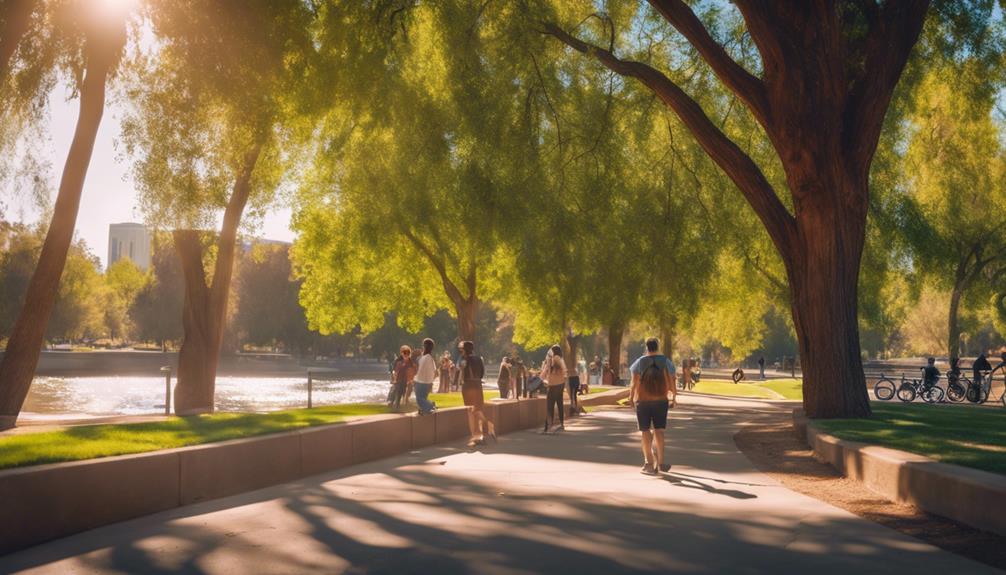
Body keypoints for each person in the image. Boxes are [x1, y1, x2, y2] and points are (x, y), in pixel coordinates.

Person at [629, 337, 677, 475]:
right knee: (659, 431)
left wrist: (631, 397)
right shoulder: (666, 361)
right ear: (658, 346)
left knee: (645, 432)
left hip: (643, 401)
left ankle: (648, 463)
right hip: (661, 401)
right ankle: (661, 463)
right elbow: (672, 380)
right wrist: (674, 397)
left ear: (646, 347)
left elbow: (634, 382)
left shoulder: (639, 362)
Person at [459, 340, 494, 447]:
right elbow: (482, 373)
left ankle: (474, 436)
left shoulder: (464, 360)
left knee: (470, 410)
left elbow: (462, 374)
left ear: (464, 349)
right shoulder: (479, 359)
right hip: (478, 385)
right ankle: (486, 428)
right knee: (478, 409)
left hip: (468, 386)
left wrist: (460, 383)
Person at [541, 345, 567, 433]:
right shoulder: (561, 359)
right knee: (560, 404)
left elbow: (543, 374)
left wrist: (545, 363)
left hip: (553, 385)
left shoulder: (552, 359)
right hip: (560, 385)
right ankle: (561, 424)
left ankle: (548, 426)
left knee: (550, 406)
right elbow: (565, 372)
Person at [413, 338, 438, 415]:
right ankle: (424, 410)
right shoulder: (429, 358)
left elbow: (419, 370)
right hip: (427, 382)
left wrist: (414, 379)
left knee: (419, 399)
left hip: (421, 382)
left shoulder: (426, 358)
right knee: (423, 398)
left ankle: (431, 406)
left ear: (424, 346)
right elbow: (434, 371)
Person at [390, 345, 416, 410]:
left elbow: (414, 371)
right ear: (401, 353)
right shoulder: (398, 362)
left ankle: (404, 404)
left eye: (408, 352)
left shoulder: (412, 363)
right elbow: (395, 371)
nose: (406, 354)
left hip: (408, 381)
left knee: (406, 394)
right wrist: (394, 379)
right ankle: (395, 405)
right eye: (404, 352)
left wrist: (411, 379)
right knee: (398, 393)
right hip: (400, 381)